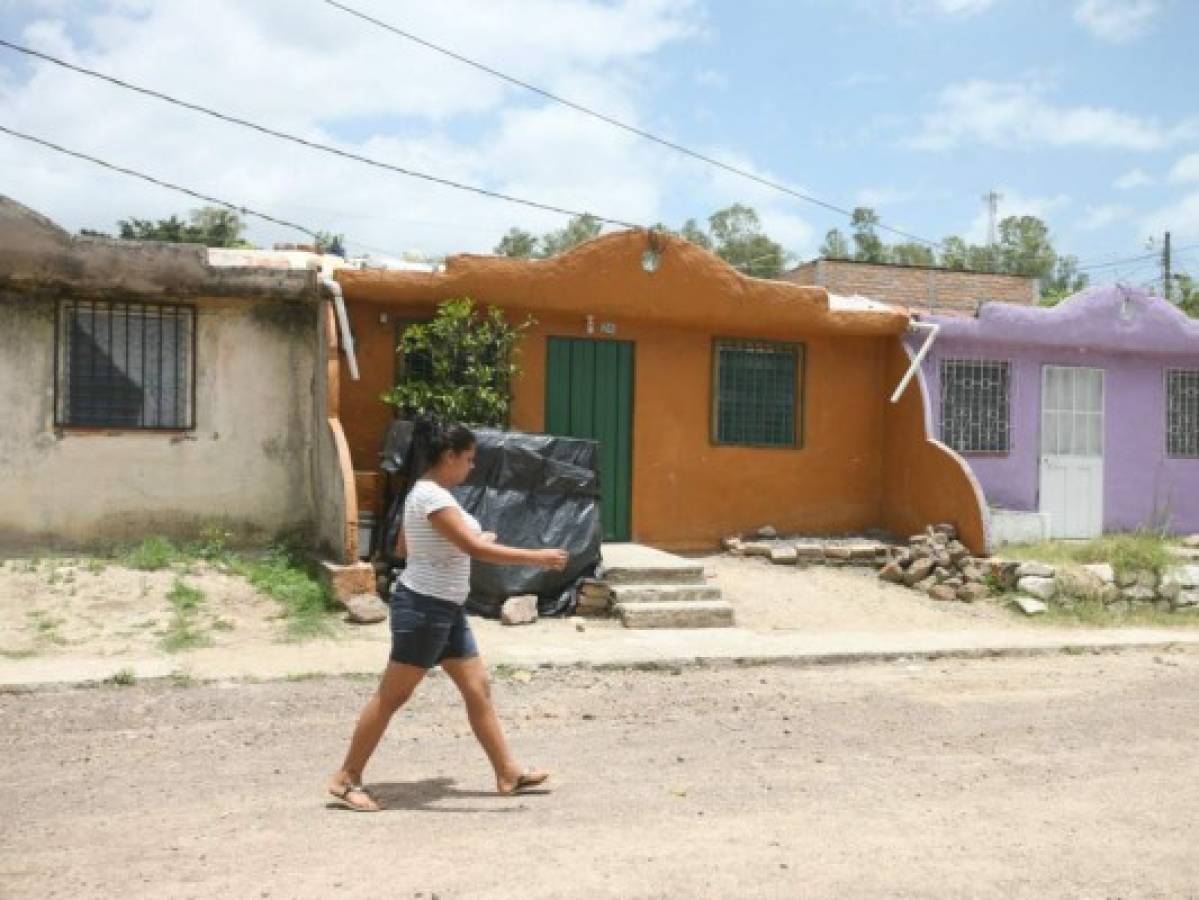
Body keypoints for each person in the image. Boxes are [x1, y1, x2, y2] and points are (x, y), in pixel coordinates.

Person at [328, 417, 568, 812]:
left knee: (478, 689)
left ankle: (508, 773)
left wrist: (467, 541)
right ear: (449, 456)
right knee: (393, 696)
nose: (471, 467)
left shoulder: (426, 495)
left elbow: (408, 547)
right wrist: (537, 557)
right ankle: (345, 779)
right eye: (468, 458)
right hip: (424, 609)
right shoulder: (433, 497)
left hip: (446, 608)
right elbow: (472, 549)